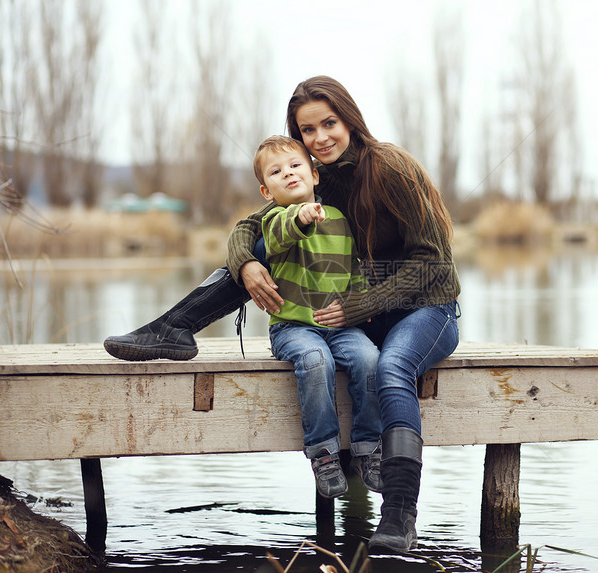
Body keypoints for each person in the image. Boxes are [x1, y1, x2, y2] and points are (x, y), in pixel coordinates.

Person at [104, 75, 460, 553]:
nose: (320, 138)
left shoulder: (391, 167)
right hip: (361, 314)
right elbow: (255, 224)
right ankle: (175, 327)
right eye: (307, 130)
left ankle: (398, 515)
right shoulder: (319, 176)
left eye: (328, 123)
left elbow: (434, 263)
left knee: (394, 367)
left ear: (349, 120)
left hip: (426, 306)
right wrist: (246, 263)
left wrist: (359, 305)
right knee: (268, 245)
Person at [251, 134, 382, 499]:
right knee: (314, 359)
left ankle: (368, 446)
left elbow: (355, 272)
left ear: (315, 175)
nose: (289, 174)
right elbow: (281, 233)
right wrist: (301, 216)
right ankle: (323, 452)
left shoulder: (339, 219)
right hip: (293, 328)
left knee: (370, 359)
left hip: (339, 326)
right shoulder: (274, 220)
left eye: (296, 166)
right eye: (277, 172)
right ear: (266, 191)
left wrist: (358, 305)